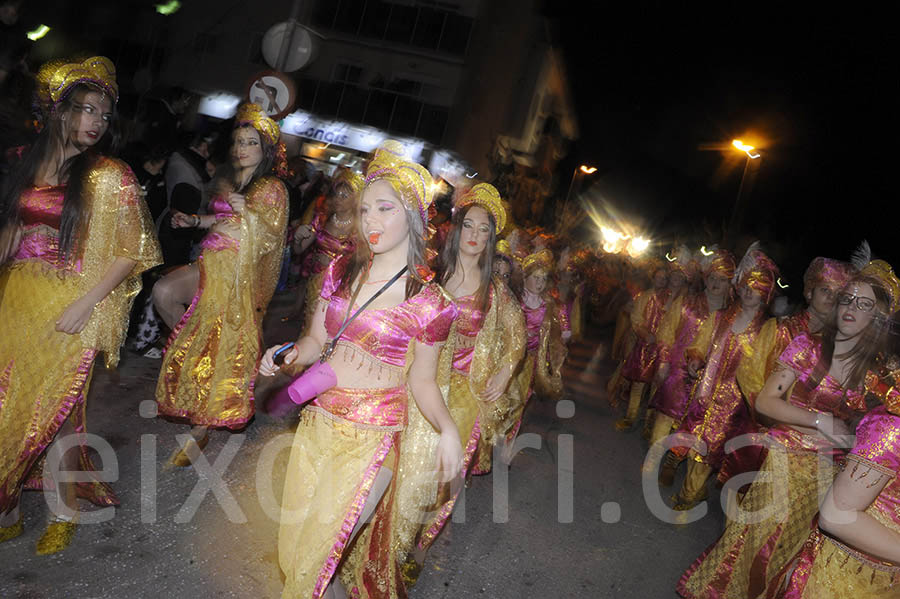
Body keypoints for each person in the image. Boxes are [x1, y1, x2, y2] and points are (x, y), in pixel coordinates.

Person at [259, 140, 463, 598]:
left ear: (412, 216)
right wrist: (288, 353)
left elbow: (423, 381)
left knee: (320, 551)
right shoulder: (338, 271)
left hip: (373, 439)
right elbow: (316, 340)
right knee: (297, 553)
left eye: (385, 209)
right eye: (366, 209)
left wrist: (449, 430)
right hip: (318, 424)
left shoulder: (430, 304)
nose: (370, 220)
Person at [0, 57, 161, 553]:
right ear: (59, 111)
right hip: (18, 299)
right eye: (86, 110)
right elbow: (12, 227)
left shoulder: (109, 175)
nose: (95, 122)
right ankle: (7, 507)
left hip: (68, 307)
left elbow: (129, 250)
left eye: (104, 115)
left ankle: (63, 509)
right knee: (8, 402)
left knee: (59, 409)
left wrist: (88, 304)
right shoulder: (27, 160)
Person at [678, 252, 899, 599]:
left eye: (864, 303)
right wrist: (819, 420)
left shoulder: (876, 375)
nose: (850, 307)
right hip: (784, 462)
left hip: (831, 476)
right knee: (754, 549)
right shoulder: (807, 347)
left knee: (792, 562)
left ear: (878, 317)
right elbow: (766, 401)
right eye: (847, 298)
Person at [403, 183, 526, 583]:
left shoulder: (496, 292)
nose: (474, 235)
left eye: (483, 229)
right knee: (405, 466)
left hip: (464, 393)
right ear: (456, 230)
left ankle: (419, 545)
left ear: (491, 239)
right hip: (419, 383)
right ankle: (392, 535)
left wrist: (505, 371)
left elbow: (518, 338)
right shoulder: (429, 273)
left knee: (443, 477)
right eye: (468, 225)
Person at [153, 103, 288, 466]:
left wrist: (248, 212)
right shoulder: (234, 180)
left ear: (266, 150)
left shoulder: (272, 188)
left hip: (235, 275)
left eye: (251, 143)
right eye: (239, 141)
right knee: (163, 293)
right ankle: (196, 360)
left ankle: (203, 424)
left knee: (222, 337)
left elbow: (273, 237)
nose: (242, 149)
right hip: (209, 261)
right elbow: (221, 217)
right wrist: (194, 220)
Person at [767, 342, 900, 598]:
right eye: (849, 301)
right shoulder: (893, 426)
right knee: (764, 549)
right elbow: (837, 515)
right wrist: (820, 423)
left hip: (882, 578)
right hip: (845, 579)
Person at [670, 244, 779, 510]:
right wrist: (695, 360)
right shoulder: (721, 318)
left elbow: (764, 371)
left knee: (710, 448)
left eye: (757, 287)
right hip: (704, 392)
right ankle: (691, 487)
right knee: (693, 435)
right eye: (746, 285)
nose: (749, 291)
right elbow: (700, 343)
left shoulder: (767, 330)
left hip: (734, 404)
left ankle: (687, 495)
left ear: (765, 294)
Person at [648, 248, 735, 485]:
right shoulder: (687, 303)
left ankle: (672, 464)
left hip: (708, 383)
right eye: (712, 277)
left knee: (691, 427)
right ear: (705, 278)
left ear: (731, 284)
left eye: (722, 279)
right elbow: (666, 330)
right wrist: (664, 361)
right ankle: (654, 458)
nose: (716, 283)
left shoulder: (733, 316)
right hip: (678, 371)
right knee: (665, 417)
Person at [504, 248, 569, 454]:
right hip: (507, 357)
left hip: (529, 361)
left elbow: (563, 330)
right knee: (503, 397)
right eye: (535, 278)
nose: (540, 283)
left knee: (520, 400)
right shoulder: (513, 298)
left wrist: (560, 332)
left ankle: (507, 442)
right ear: (525, 277)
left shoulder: (548, 304)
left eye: (543, 279)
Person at [616, 252, 688, 431]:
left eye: (680, 276)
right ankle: (631, 416)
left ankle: (649, 424)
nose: (675, 279)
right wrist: (644, 333)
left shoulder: (686, 303)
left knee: (657, 388)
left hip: (667, 352)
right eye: (674, 276)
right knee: (639, 383)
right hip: (646, 347)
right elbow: (637, 317)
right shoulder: (652, 296)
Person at [289, 169, 363, 327]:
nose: (338, 199)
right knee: (309, 329)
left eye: (344, 196)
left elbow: (363, 264)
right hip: (315, 288)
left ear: (356, 200)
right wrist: (297, 239)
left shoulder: (360, 229)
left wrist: (333, 263)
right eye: (336, 194)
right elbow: (299, 250)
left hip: (340, 293)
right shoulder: (322, 219)